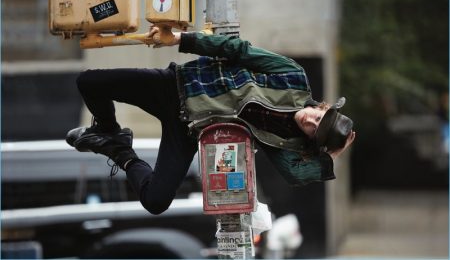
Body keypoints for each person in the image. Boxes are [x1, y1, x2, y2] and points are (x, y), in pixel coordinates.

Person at [66, 26, 356, 215]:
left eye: (314, 129)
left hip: (189, 129)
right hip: (176, 85)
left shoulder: (286, 142)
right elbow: (238, 50)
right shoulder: (293, 76)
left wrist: (332, 156)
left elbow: (295, 175)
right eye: (319, 116)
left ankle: (121, 152)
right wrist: (183, 39)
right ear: (323, 106)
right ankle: (107, 130)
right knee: (90, 82)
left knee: (155, 201)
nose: (311, 119)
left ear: (310, 140)